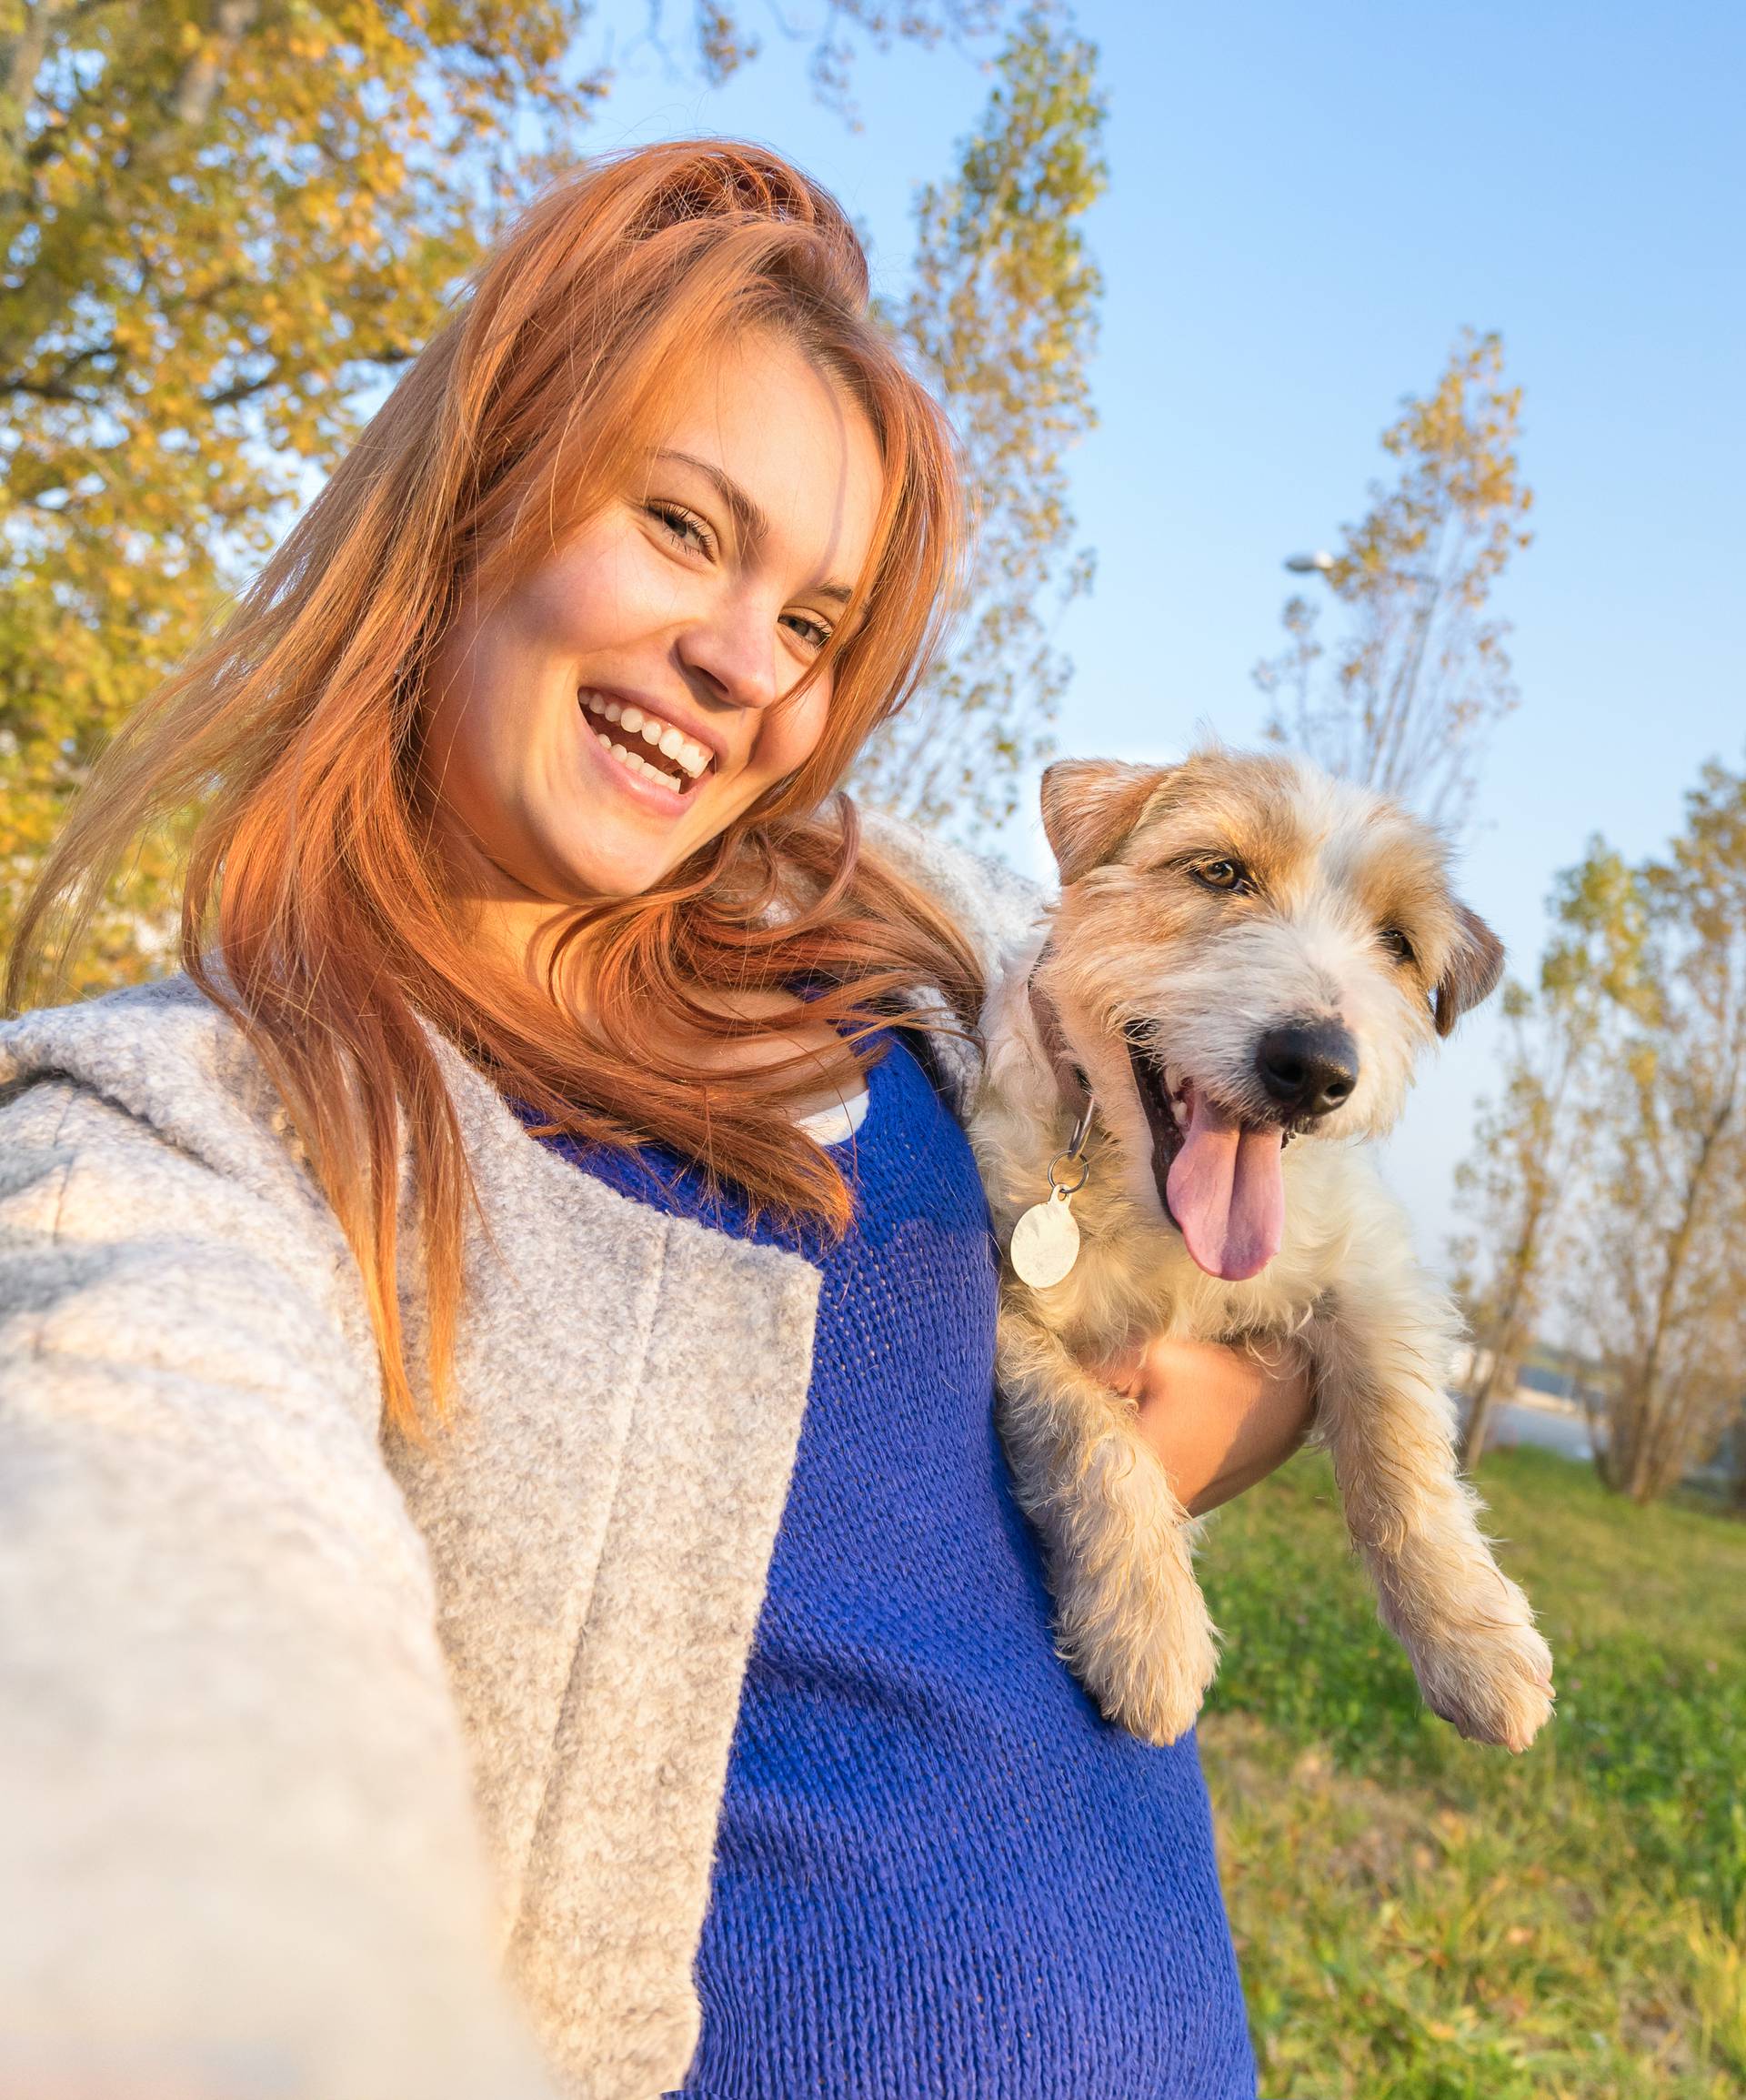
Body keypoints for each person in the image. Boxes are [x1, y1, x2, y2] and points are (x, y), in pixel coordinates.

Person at [0, 142, 1313, 2100]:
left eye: (813, 626)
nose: (740, 667)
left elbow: (1264, 1256)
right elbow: (161, 1577)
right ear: (480, 491)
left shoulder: (918, 942)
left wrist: (1236, 1400)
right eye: (686, 529)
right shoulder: (198, 1125)